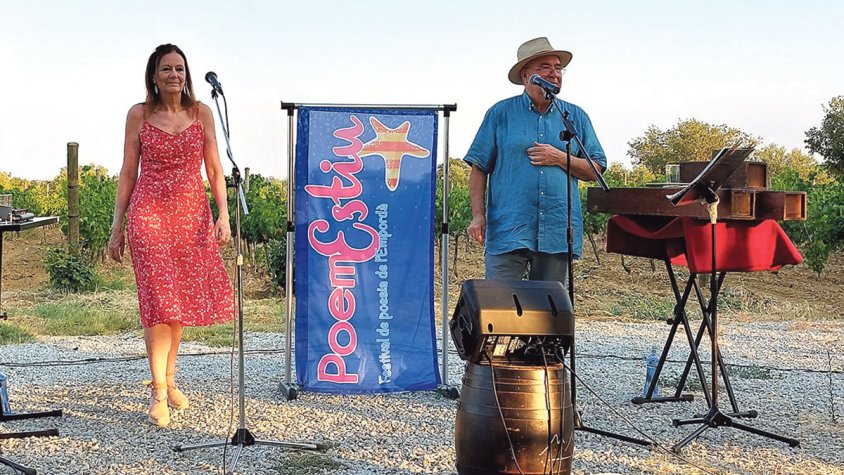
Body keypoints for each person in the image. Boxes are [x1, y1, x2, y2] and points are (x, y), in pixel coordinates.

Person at [108, 44, 235, 427]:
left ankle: (169, 378)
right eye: (166, 69)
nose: (174, 75)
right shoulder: (140, 114)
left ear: (187, 74)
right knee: (160, 302)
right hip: (149, 215)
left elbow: (214, 169)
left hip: (191, 217)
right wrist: (117, 226)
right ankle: (158, 393)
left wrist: (223, 214)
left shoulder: (202, 114)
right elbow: (128, 170)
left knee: (176, 302)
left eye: (179, 68)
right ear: (154, 75)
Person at [464, 36, 607, 286]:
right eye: (545, 67)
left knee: (549, 313)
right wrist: (478, 216)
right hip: (509, 229)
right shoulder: (500, 113)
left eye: (558, 68)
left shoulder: (575, 116)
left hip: (557, 230)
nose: (554, 73)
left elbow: (596, 169)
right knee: (501, 310)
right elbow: (478, 168)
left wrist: (559, 157)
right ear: (525, 75)